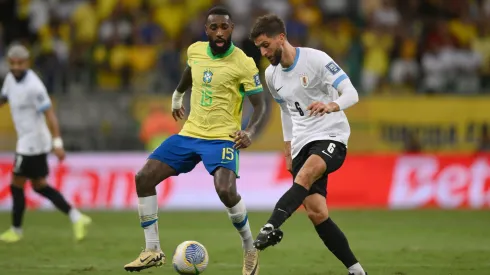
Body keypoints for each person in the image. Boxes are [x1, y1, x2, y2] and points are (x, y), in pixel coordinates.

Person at [124, 6, 266, 275]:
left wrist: (249, 131)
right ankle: (152, 250)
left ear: (232, 28)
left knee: (225, 191)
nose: (220, 32)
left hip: (223, 139)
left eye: (224, 27)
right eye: (214, 28)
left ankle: (250, 248)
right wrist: (177, 96)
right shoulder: (195, 51)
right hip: (190, 134)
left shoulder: (244, 63)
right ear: (207, 30)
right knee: (143, 178)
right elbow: (190, 72)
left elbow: (261, 105)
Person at [249, 14, 368, 275]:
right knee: (317, 213)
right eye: (259, 47)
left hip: (331, 135)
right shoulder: (271, 75)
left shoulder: (317, 60)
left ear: (281, 38)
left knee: (305, 176)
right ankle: (357, 271)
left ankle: (270, 226)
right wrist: (287, 145)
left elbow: (351, 93)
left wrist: (331, 105)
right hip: (301, 143)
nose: (264, 51)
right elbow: (284, 109)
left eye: (266, 45)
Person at [0, 44, 91, 243]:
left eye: (20, 63)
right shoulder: (9, 79)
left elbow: (50, 115)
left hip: (33, 142)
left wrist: (57, 143)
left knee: (17, 183)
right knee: (39, 185)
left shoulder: (34, 86)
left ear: (27, 63)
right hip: (26, 140)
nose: (16, 67)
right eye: (12, 63)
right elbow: (3, 99)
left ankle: (16, 230)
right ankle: (77, 217)